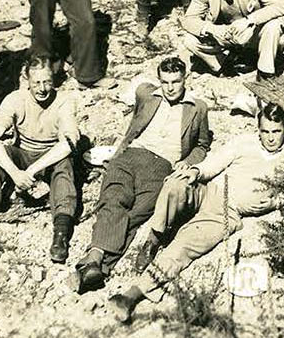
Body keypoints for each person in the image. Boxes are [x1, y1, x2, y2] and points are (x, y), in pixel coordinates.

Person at [107, 108, 284, 324]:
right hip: (209, 189)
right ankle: (155, 237)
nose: (270, 138)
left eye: (276, 131)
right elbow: (216, 162)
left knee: (184, 245)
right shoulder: (245, 141)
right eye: (265, 131)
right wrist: (196, 171)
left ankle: (131, 296)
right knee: (175, 184)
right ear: (258, 128)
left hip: (227, 211)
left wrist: (276, 201)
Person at [73, 57, 211, 293]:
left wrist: (187, 162)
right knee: (114, 198)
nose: (170, 88)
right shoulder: (146, 94)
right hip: (132, 155)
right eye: (165, 82)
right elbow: (134, 123)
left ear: (185, 79)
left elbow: (202, 145)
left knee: (139, 211)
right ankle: (97, 260)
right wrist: (118, 151)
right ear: (159, 80)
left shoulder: (198, 108)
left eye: (175, 82)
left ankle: (95, 262)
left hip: (163, 165)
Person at [0, 59, 81, 262]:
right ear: (27, 81)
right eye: (37, 83)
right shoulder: (15, 99)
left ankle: (60, 233)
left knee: (65, 169)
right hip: (22, 152)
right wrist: (16, 173)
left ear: (54, 80)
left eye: (47, 82)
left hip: (50, 156)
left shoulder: (64, 101)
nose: (42, 89)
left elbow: (69, 143)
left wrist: (31, 171)